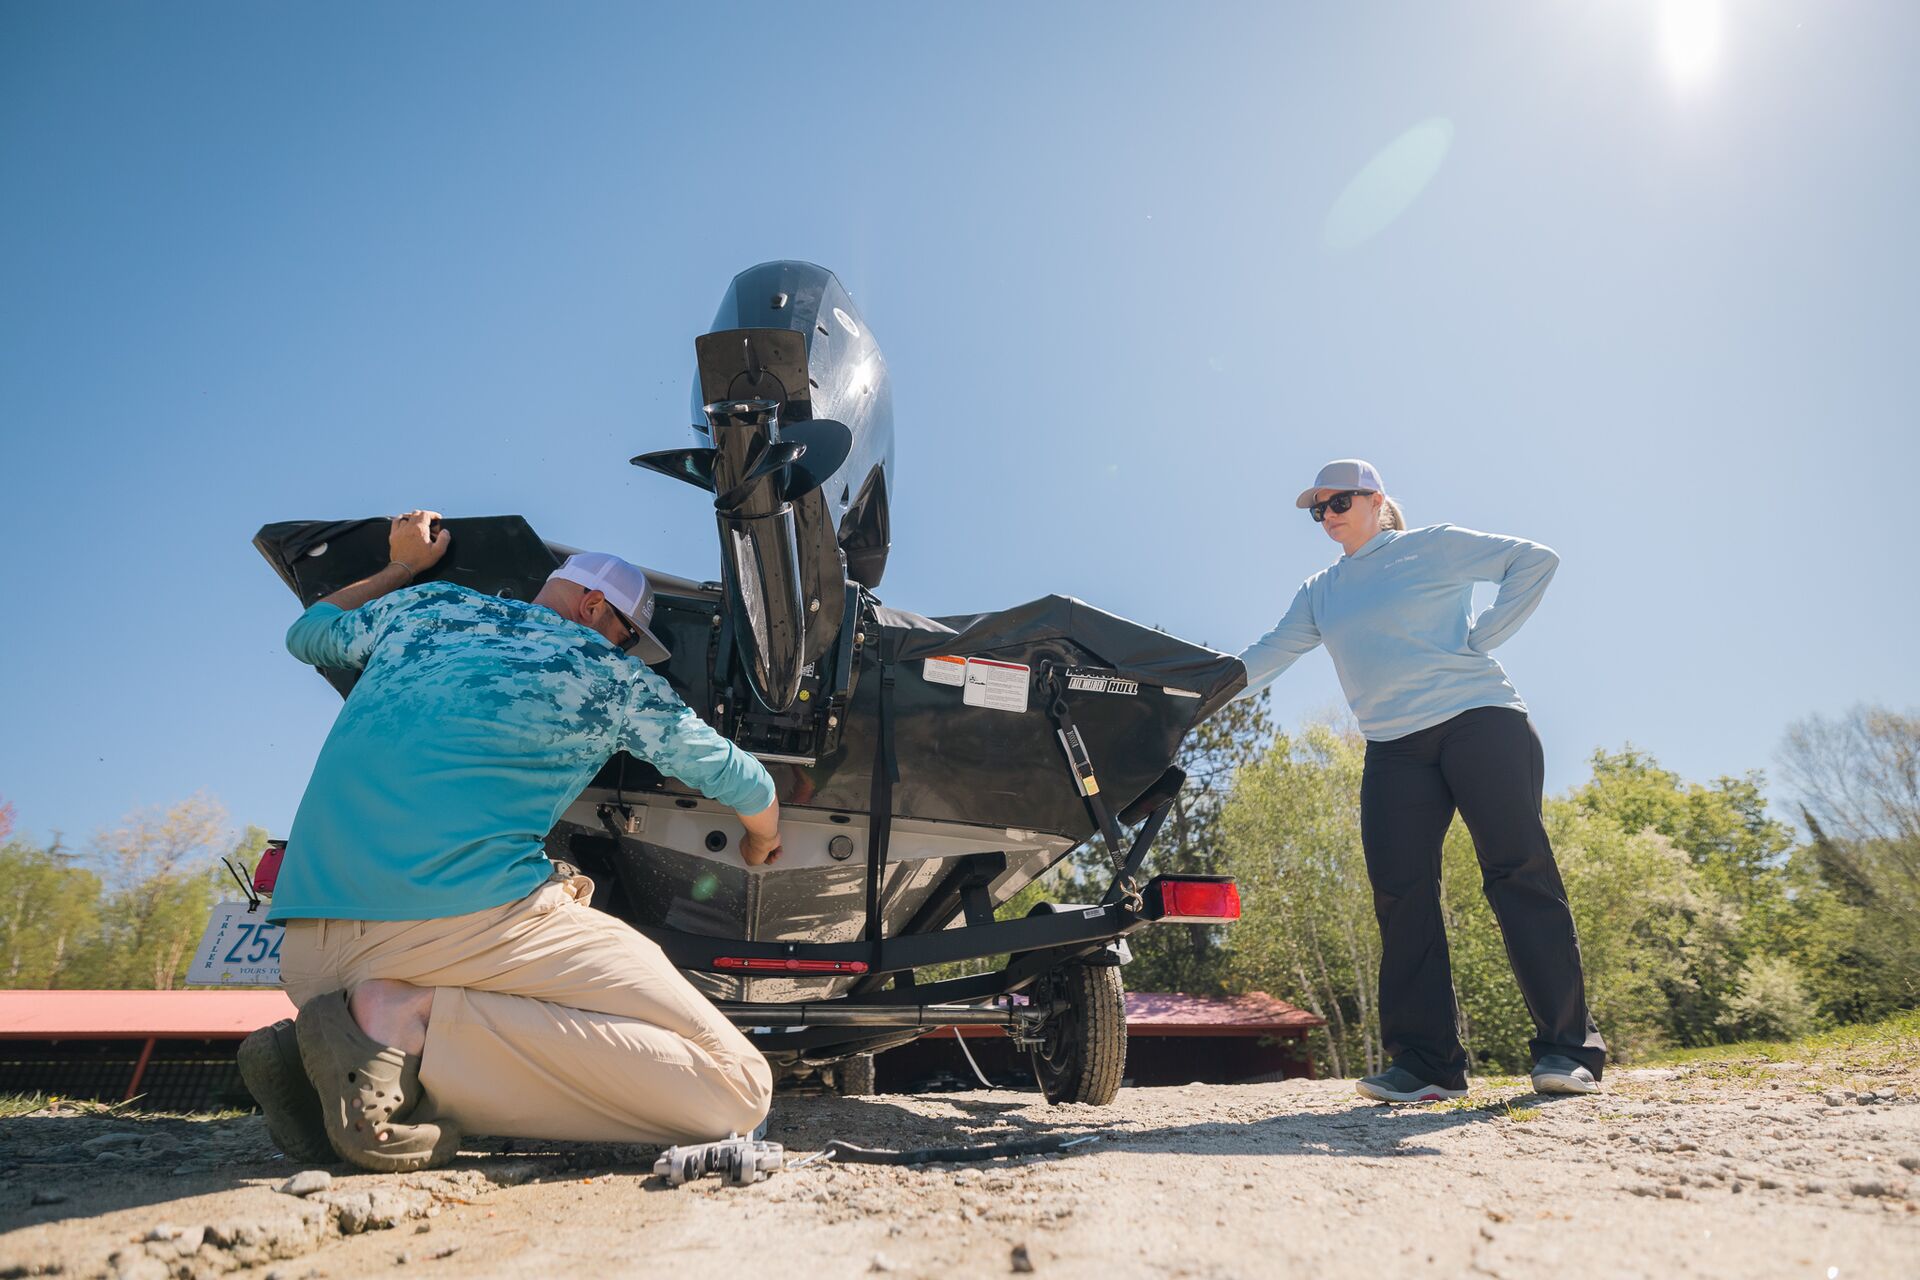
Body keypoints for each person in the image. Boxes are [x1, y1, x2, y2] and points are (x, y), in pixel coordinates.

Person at [237, 510, 780, 1171]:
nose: (626, 649)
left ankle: (338, 1052)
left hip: (309, 957)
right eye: (627, 634)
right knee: (739, 1088)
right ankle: (401, 1024)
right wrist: (760, 843)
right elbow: (747, 783)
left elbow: (308, 632)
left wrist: (402, 566)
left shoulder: (426, 607)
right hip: (453, 928)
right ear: (594, 605)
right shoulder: (607, 675)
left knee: (518, 979)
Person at [1239, 461, 1606, 1103]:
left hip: (1479, 722)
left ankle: (1568, 1050)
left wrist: (1485, 634)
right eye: (1316, 509)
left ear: (1377, 499)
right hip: (1392, 748)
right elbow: (1269, 652)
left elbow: (1535, 560)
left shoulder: (1428, 545)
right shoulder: (1320, 590)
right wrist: (1187, 699)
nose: (1326, 516)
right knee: (1400, 893)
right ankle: (1428, 1063)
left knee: (1518, 872)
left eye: (1339, 501)